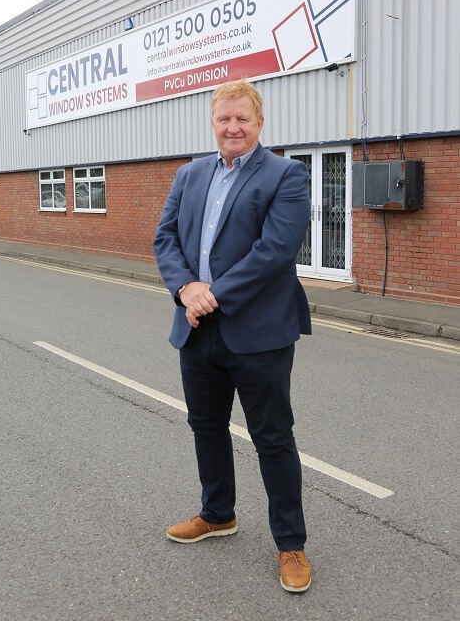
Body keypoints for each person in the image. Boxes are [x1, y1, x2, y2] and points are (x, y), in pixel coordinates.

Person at [153, 79, 312, 593]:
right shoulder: (190, 174)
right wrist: (184, 289)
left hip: (259, 332)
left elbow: (275, 251)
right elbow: (167, 237)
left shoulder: (286, 174)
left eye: (242, 118)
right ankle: (218, 513)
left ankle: (291, 543)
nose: (233, 127)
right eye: (224, 119)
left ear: (259, 123)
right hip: (197, 328)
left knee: (272, 438)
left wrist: (210, 292)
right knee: (206, 426)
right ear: (213, 123)